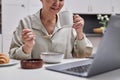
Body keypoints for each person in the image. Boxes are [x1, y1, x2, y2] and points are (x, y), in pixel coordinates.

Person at [9, 0, 93, 60]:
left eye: (61, 0)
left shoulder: (68, 23)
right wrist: (27, 47)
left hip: (62, 76)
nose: (57, 3)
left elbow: (83, 55)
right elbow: (12, 56)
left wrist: (79, 33)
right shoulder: (26, 23)